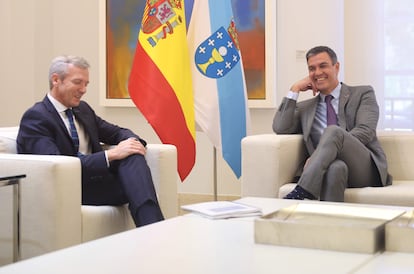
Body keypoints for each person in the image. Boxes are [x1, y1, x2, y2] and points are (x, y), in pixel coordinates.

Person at [17, 55, 164, 226]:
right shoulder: (36, 118)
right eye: (78, 82)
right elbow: (57, 165)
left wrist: (132, 142)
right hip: (71, 187)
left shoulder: (82, 109)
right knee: (138, 185)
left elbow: (117, 132)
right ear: (56, 80)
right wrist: (111, 155)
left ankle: (153, 229)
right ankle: (155, 230)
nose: (83, 89)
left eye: (86, 84)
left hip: (98, 181)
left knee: (132, 156)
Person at [273, 46, 392, 201]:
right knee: (336, 168)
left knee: (334, 132)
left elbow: (365, 131)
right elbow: (280, 128)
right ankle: (329, 223)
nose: (317, 73)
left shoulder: (363, 93)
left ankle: (302, 191)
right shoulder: (305, 108)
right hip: (329, 168)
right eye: (312, 68)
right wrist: (294, 90)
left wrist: (317, 155)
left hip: (363, 168)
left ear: (336, 67)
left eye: (323, 66)